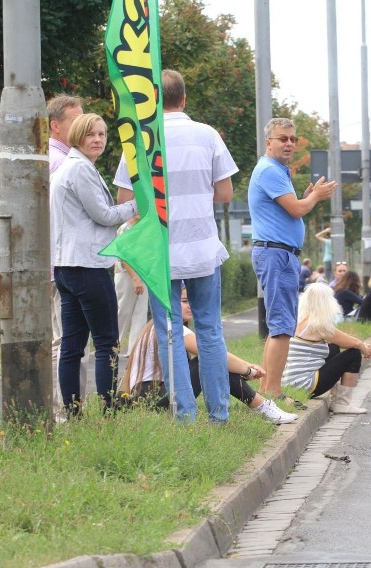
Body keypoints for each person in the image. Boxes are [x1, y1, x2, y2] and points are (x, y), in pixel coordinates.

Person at [114, 69, 237, 423]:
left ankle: (184, 414)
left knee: (169, 334)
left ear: (153, 100)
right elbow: (225, 194)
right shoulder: (208, 135)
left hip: (160, 253)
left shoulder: (140, 140)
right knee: (210, 329)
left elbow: (126, 201)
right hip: (202, 250)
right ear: (183, 99)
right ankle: (220, 414)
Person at [51, 113, 138, 413]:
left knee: (72, 345)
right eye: (91, 135)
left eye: (102, 134)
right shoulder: (81, 170)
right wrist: (138, 204)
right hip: (88, 266)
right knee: (106, 342)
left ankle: (73, 410)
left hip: (67, 266)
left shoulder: (68, 168)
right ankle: (108, 408)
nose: (98, 140)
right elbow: (103, 215)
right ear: (77, 137)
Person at [248, 117, 337, 407]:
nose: (289, 143)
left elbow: (291, 210)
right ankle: (272, 392)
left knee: (282, 324)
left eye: (292, 139)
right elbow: (297, 209)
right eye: (282, 138)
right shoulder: (270, 171)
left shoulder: (278, 171)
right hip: (276, 254)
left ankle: (268, 387)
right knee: (282, 326)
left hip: (281, 254)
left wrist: (309, 197)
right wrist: (313, 198)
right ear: (268, 142)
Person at [121, 288, 298, 425]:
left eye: (191, 300)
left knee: (212, 360)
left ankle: (263, 406)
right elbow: (214, 355)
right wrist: (248, 370)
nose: (189, 305)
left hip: (148, 398)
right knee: (209, 361)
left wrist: (247, 366)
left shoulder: (158, 326)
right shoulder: (171, 327)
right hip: (153, 399)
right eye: (183, 301)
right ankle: (263, 407)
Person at [47, 95, 89, 419]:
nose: (84, 126)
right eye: (76, 121)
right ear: (56, 125)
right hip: (64, 262)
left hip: (62, 262)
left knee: (66, 341)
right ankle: (65, 411)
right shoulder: (61, 162)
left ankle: (68, 409)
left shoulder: (61, 158)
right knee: (66, 342)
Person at [282, 283, 371, 414]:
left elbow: (342, 341)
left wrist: (362, 346)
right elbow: (355, 344)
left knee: (334, 347)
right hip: (307, 384)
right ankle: (341, 403)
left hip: (291, 383)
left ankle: (336, 396)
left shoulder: (300, 321)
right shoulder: (318, 326)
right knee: (353, 354)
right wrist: (364, 348)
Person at [114, 215, 148, 357]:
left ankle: (135, 350)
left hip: (143, 273)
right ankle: (114, 346)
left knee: (140, 312)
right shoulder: (126, 228)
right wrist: (135, 278)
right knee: (123, 311)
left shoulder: (144, 227)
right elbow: (124, 255)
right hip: (126, 274)